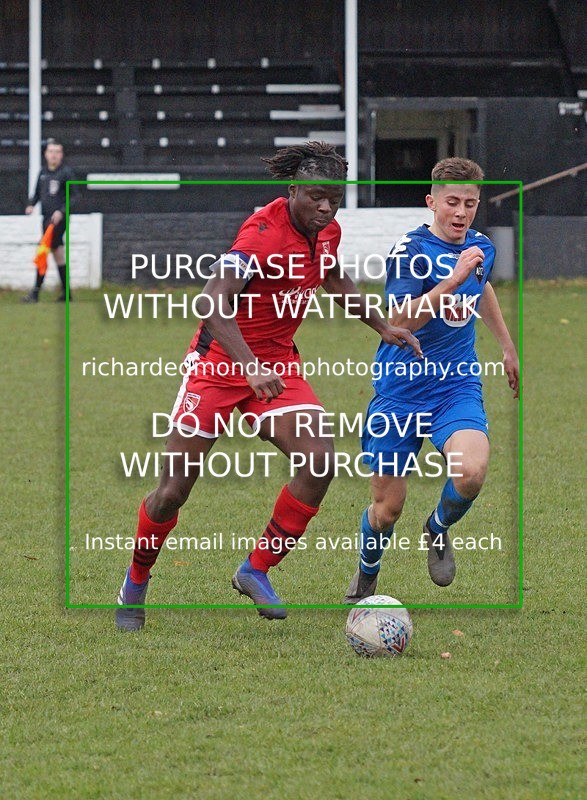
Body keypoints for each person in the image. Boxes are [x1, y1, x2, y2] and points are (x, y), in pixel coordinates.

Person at [115, 141, 422, 631]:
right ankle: (135, 581)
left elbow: (332, 276)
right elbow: (213, 305)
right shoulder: (259, 235)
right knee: (172, 491)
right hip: (219, 365)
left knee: (320, 461)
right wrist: (249, 365)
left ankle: (254, 569)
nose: (326, 207)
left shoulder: (327, 231)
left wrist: (382, 326)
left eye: (335, 200)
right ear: (293, 189)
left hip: (278, 366)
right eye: (317, 197)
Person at [344, 157, 519, 602]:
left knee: (472, 472)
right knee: (386, 510)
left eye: (470, 204)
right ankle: (368, 572)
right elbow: (399, 320)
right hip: (400, 391)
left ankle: (437, 527)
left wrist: (506, 344)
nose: (461, 213)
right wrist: (450, 280)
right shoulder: (410, 253)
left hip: (455, 385)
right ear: (432, 202)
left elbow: (481, 287)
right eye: (453, 203)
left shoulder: (479, 246)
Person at [23, 139, 76, 302]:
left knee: (43, 250)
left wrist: (62, 211)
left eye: (57, 152)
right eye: (51, 151)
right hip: (46, 219)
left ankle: (35, 293)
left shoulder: (66, 173)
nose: (54, 155)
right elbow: (37, 193)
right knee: (58, 253)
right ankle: (67, 294)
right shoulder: (43, 173)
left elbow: (74, 196)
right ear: (46, 154)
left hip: (58, 221)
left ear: (62, 155)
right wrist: (31, 205)